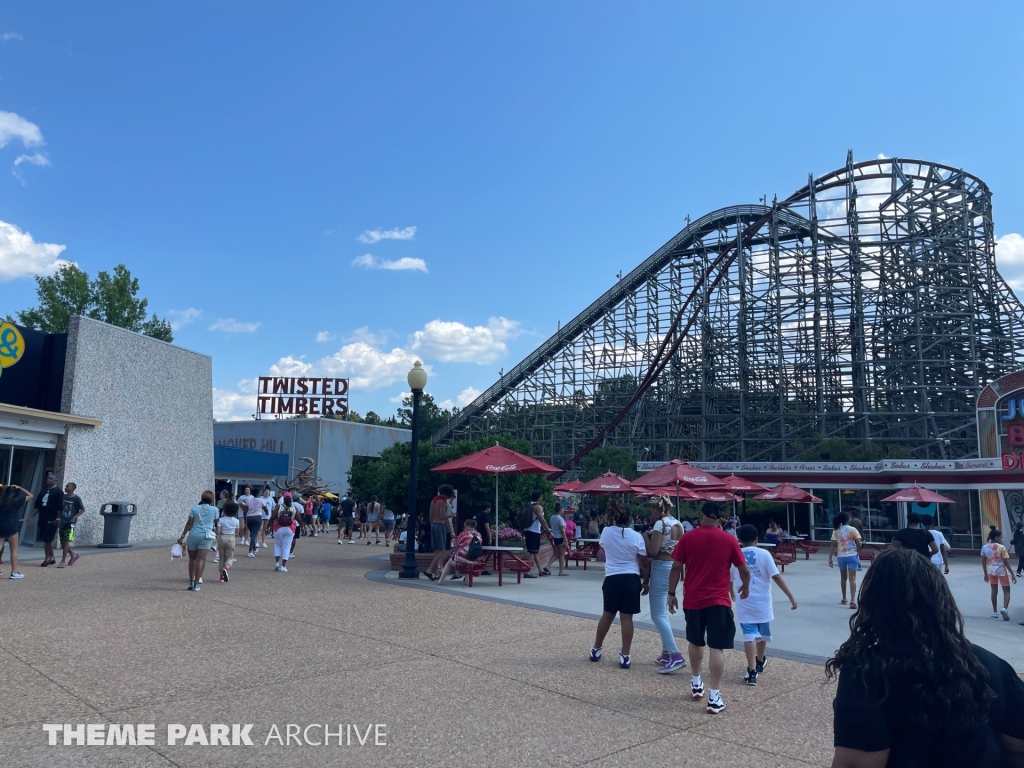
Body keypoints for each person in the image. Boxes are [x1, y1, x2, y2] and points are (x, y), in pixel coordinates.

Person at [828, 547, 1024, 768]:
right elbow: (1017, 746)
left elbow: (857, 763)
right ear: (942, 600)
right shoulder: (987, 663)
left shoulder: (867, 673)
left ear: (873, 603)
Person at [668, 502, 749, 715]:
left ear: (701, 515)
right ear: (720, 519)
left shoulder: (688, 537)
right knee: (716, 647)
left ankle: (696, 682)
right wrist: (746, 588)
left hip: (693, 600)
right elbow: (744, 570)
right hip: (718, 601)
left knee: (695, 641)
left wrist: (671, 594)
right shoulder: (729, 539)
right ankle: (714, 696)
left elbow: (676, 566)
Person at [731, 524, 797, 686]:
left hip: (744, 600)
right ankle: (759, 660)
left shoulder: (735, 555)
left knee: (748, 635)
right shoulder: (765, 554)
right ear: (756, 539)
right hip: (763, 602)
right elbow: (776, 577)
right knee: (762, 634)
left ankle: (752, 671)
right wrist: (790, 596)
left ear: (739, 539)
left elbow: (729, 578)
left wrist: (731, 593)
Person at [590, 498, 649, 670]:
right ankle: (625, 654)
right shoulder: (637, 536)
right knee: (627, 618)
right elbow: (643, 561)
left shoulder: (607, 532)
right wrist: (646, 581)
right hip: (631, 578)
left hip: (612, 578)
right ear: (630, 519)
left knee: (607, 615)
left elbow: (603, 550)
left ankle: (596, 648)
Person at [643, 495, 686, 673]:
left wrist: (645, 536)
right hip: (674, 566)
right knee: (663, 613)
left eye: (652, 509)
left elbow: (652, 551)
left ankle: (676, 655)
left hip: (661, 567)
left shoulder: (660, 525)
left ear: (657, 508)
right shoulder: (679, 524)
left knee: (657, 615)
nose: (651, 513)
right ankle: (666, 652)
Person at [177, 491, 218, 591]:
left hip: (193, 534)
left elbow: (189, 523)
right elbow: (216, 522)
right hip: (206, 536)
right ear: (212, 499)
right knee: (201, 559)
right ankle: (196, 583)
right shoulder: (215, 509)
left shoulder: (195, 508)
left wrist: (182, 536)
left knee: (192, 559)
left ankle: (191, 581)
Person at [26, 472, 62, 567]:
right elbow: (38, 505)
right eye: (47, 478)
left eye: (50, 479)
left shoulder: (58, 492)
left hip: (52, 517)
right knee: (48, 539)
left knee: (47, 539)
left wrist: (58, 518)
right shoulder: (43, 491)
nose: (48, 480)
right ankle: (52, 557)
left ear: (54, 481)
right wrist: (31, 516)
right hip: (43, 517)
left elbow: (60, 506)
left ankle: (46, 558)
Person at [829, 512, 863, 609]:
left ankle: (844, 598)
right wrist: (858, 551)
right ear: (847, 520)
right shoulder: (853, 530)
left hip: (841, 556)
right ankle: (852, 600)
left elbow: (833, 544)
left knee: (843, 578)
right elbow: (859, 543)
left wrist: (830, 557)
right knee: (852, 578)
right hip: (852, 555)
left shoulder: (836, 530)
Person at [981, 527, 1015, 621]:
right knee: (1006, 591)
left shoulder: (985, 547)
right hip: (1001, 571)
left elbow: (983, 561)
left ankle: (995, 611)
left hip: (991, 570)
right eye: (1001, 537)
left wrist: (985, 573)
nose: (1001, 539)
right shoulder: (1001, 547)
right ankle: (1004, 608)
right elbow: (1006, 562)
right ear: (996, 537)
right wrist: (1012, 574)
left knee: (994, 590)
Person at [0, 483, 32, 579]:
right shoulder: (17, 500)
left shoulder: (1, 500)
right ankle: (14, 572)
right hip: (12, 526)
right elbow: (30, 495)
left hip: (1, 525)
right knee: (13, 550)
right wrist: (20, 487)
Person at [437, 518, 484, 583]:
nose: (463, 529)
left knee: (449, 563)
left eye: (464, 527)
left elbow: (456, 545)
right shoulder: (479, 535)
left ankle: (440, 581)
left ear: (468, 527)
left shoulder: (464, 534)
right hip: (474, 559)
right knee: (467, 559)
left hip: (462, 559)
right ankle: (467, 581)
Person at [425, 485, 456, 581]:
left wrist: (432, 525)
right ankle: (429, 570)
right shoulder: (442, 502)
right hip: (440, 525)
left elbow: (430, 515)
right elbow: (442, 516)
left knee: (437, 550)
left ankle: (436, 573)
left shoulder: (433, 501)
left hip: (434, 524)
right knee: (442, 549)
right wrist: (451, 515)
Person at [522, 489, 552, 578]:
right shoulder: (538, 507)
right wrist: (548, 530)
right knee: (532, 552)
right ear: (539, 497)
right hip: (534, 531)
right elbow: (541, 520)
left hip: (528, 530)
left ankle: (540, 570)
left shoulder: (529, 505)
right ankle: (527, 572)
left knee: (535, 552)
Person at [57, 482, 86, 568]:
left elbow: (83, 509)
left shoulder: (76, 499)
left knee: (66, 541)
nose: (65, 488)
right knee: (63, 543)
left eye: (67, 486)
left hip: (70, 524)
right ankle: (73, 555)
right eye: (65, 486)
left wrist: (74, 517)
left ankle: (63, 561)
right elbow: (60, 509)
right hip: (62, 521)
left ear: (73, 488)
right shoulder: (63, 497)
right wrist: (58, 519)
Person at [273, 493, 299, 572]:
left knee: (277, 545)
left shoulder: (278, 506)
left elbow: (273, 517)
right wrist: (303, 526)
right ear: (291, 499)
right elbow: (299, 518)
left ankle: (277, 562)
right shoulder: (294, 507)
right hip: (290, 528)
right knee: (287, 547)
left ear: (283, 499)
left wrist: (268, 527)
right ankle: (283, 566)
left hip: (278, 528)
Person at [216, 502, 240, 582]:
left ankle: (221, 576)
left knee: (221, 557)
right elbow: (237, 533)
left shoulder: (221, 520)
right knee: (229, 557)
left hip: (222, 537)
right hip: (231, 538)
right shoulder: (236, 521)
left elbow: (218, 532)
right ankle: (226, 568)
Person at [243, 490, 264, 558]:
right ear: (258, 493)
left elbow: (245, 510)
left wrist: (245, 519)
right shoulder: (261, 500)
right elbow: (265, 508)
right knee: (253, 535)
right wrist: (266, 512)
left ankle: (254, 549)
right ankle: (250, 551)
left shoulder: (249, 501)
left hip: (249, 517)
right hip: (257, 517)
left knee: (252, 533)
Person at [549, 504, 568, 576]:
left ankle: (547, 567)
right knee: (562, 555)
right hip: (560, 537)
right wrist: (565, 539)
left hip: (555, 537)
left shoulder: (552, 517)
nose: (563, 510)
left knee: (556, 554)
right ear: (560, 510)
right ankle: (561, 571)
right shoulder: (560, 519)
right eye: (562, 509)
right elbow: (562, 530)